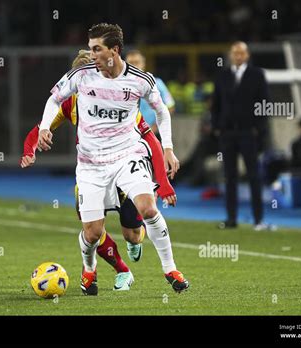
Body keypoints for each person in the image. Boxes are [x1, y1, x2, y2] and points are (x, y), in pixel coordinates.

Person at [37, 23, 189, 295]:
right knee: (93, 233)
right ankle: (88, 267)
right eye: (91, 48)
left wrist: (168, 147)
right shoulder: (81, 76)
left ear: (114, 51)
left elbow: (162, 111)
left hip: (127, 155)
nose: (91, 54)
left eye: (97, 49)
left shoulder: (140, 80)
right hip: (91, 164)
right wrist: (45, 127)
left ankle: (171, 269)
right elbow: (54, 100)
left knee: (149, 209)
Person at [211, 41, 269, 231]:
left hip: (248, 132)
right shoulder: (223, 76)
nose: (238, 56)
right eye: (235, 53)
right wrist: (217, 127)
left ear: (247, 55)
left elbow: (264, 103)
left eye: (241, 53)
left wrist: (258, 129)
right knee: (230, 177)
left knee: (254, 176)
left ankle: (258, 219)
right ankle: (231, 218)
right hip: (228, 133)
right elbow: (216, 104)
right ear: (231, 55)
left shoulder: (257, 75)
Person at [125, 50, 175, 134]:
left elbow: (170, 107)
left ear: (143, 64)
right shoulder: (121, 86)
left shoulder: (156, 83)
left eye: (137, 62)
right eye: (131, 63)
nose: (134, 66)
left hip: (153, 133)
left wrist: (155, 127)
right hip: (130, 134)